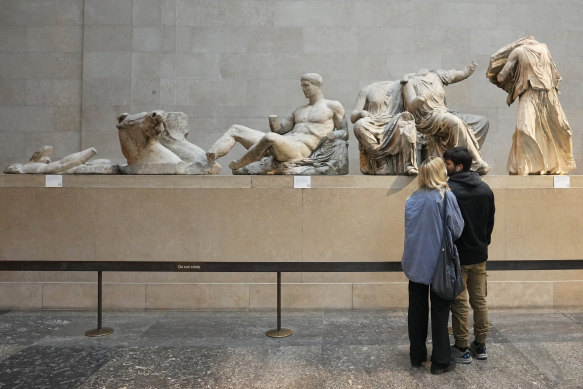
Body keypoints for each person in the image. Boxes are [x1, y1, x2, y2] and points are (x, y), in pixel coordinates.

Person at [401, 156, 464, 375]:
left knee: (416, 311)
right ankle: (440, 361)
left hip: (415, 262)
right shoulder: (446, 196)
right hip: (439, 264)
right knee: (439, 312)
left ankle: (416, 357)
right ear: (440, 173)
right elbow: (457, 229)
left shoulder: (412, 198)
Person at [206, 73, 346, 171]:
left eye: (306, 85)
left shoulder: (332, 105)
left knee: (269, 137)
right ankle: (209, 157)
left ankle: (240, 164)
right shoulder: (298, 110)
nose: (303, 89)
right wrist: (273, 121)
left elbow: (344, 132)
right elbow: (279, 131)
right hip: (284, 143)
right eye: (302, 86)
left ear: (317, 86)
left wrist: (332, 136)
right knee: (236, 129)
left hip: (301, 150)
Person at [490, 37, 575, 175]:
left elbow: (501, 76)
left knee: (558, 128)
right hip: (529, 93)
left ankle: (551, 165)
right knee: (524, 128)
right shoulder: (519, 51)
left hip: (548, 95)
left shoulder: (541, 49)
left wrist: (498, 76)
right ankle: (526, 166)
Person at [443, 147, 495, 364]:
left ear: (459, 166)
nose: (444, 167)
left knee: (459, 302)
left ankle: (463, 347)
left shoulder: (450, 191)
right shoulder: (485, 189)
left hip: (458, 256)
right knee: (480, 300)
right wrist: (482, 243)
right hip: (480, 253)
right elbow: (490, 223)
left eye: (447, 164)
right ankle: (481, 344)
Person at [401, 62, 491, 175]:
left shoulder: (437, 75)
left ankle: (465, 154)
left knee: (482, 122)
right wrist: (420, 99)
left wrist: (468, 70)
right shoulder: (409, 81)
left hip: (445, 112)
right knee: (456, 123)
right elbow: (410, 105)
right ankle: (475, 163)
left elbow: (460, 74)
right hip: (428, 118)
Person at [350, 80, 418, 175]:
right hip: (373, 122)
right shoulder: (366, 89)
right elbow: (353, 117)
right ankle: (380, 160)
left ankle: (408, 164)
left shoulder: (404, 86)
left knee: (406, 121)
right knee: (359, 125)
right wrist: (360, 113)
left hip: (395, 121)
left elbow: (412, 106)